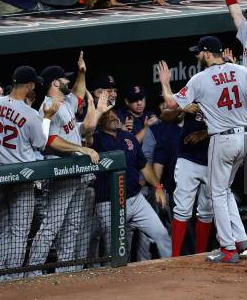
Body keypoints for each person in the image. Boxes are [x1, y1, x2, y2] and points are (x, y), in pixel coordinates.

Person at [158, 35, 247, 263]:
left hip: (221, 141)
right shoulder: (241, 71)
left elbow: (171, 105)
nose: (197, 56)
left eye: (199, 52)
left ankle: (228, 248)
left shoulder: (200, 78)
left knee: (217, 193)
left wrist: (165, 84)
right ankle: (241, 240)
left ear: (207, 53)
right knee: (225, 189)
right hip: (244, 137)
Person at [26, 54, 101, 276]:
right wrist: (82, 148)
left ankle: (65, 272)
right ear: (56, 83)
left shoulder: (65, 101)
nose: (69, 82)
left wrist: (82, 73)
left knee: (73, 225)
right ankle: (33, 272)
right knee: (52, 226)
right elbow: (49, 143)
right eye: (65, 79)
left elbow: (78, 93)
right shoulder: (48, 108)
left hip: (75, 173)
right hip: (59, 173)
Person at [0, 66, 59, 281]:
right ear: (29, 85)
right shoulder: (29, 114)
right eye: (33, 84)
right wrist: (46, 117)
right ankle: (13, 279)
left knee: (4, 230)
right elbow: (40, 144)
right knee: (19, 233)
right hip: (21, 176)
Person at [90, 109, 171, 261]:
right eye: (107, 115)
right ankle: (117, 281)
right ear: (100, 120)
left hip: (136, 199)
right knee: (115, 253)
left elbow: (144, 165)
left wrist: (158, 187)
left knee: (162, 234)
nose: (113, 116)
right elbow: (87, 134)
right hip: (109, 204)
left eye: (114, 113)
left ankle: (173, 269)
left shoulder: (128, 137)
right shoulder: (95, 139)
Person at [168, 103, 212, 257]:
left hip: (213, 159)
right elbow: (164, 116)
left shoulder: (222, 94)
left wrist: (204, 133)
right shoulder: (192, 92)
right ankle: (175, 256)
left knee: (207, 211)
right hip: (188, 158)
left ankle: (200, 256)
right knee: (182, 209)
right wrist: (182, 108)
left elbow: (233, 124)